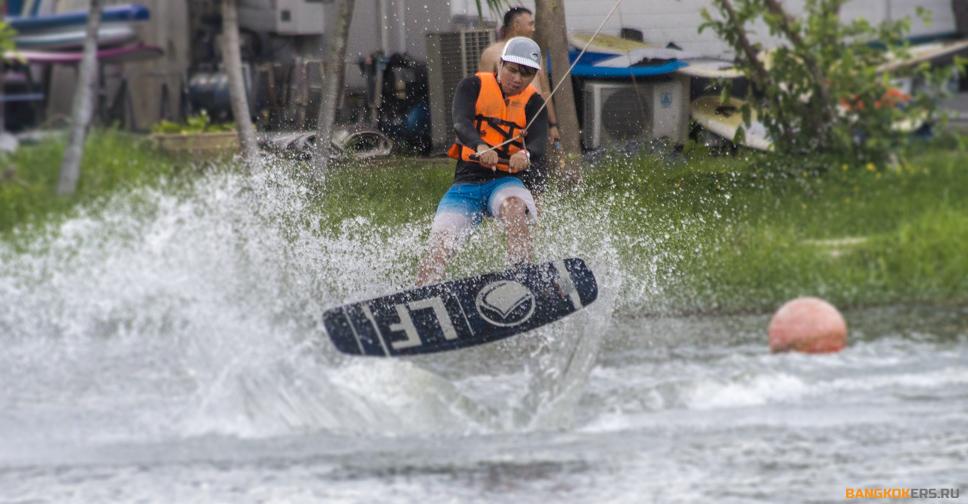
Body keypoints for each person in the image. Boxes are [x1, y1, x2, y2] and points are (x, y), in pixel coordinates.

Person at [416, 37, 549, 286]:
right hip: (466, 185)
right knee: (441, 243)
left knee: (514, 207)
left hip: (505, 182)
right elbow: (460, 122)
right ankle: (420, 294)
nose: (518, 79)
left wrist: (526, 155)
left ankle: (522, 276)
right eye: (512, 70)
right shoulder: (472, 86)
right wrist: (480, 146)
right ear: (500, 64)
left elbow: (540, 141)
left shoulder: (533, 102)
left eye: (527, 74)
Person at [478, 7, 559, 194]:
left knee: (537, 181)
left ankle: (535, 218)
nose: (533, 28)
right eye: (529, 23)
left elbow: (545, 90)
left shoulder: (535, 54)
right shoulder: (493, 53)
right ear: (516, 25)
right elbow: (484, 90)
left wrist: (553, 124)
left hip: (533, 121)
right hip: (502, 125)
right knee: (502, 182)